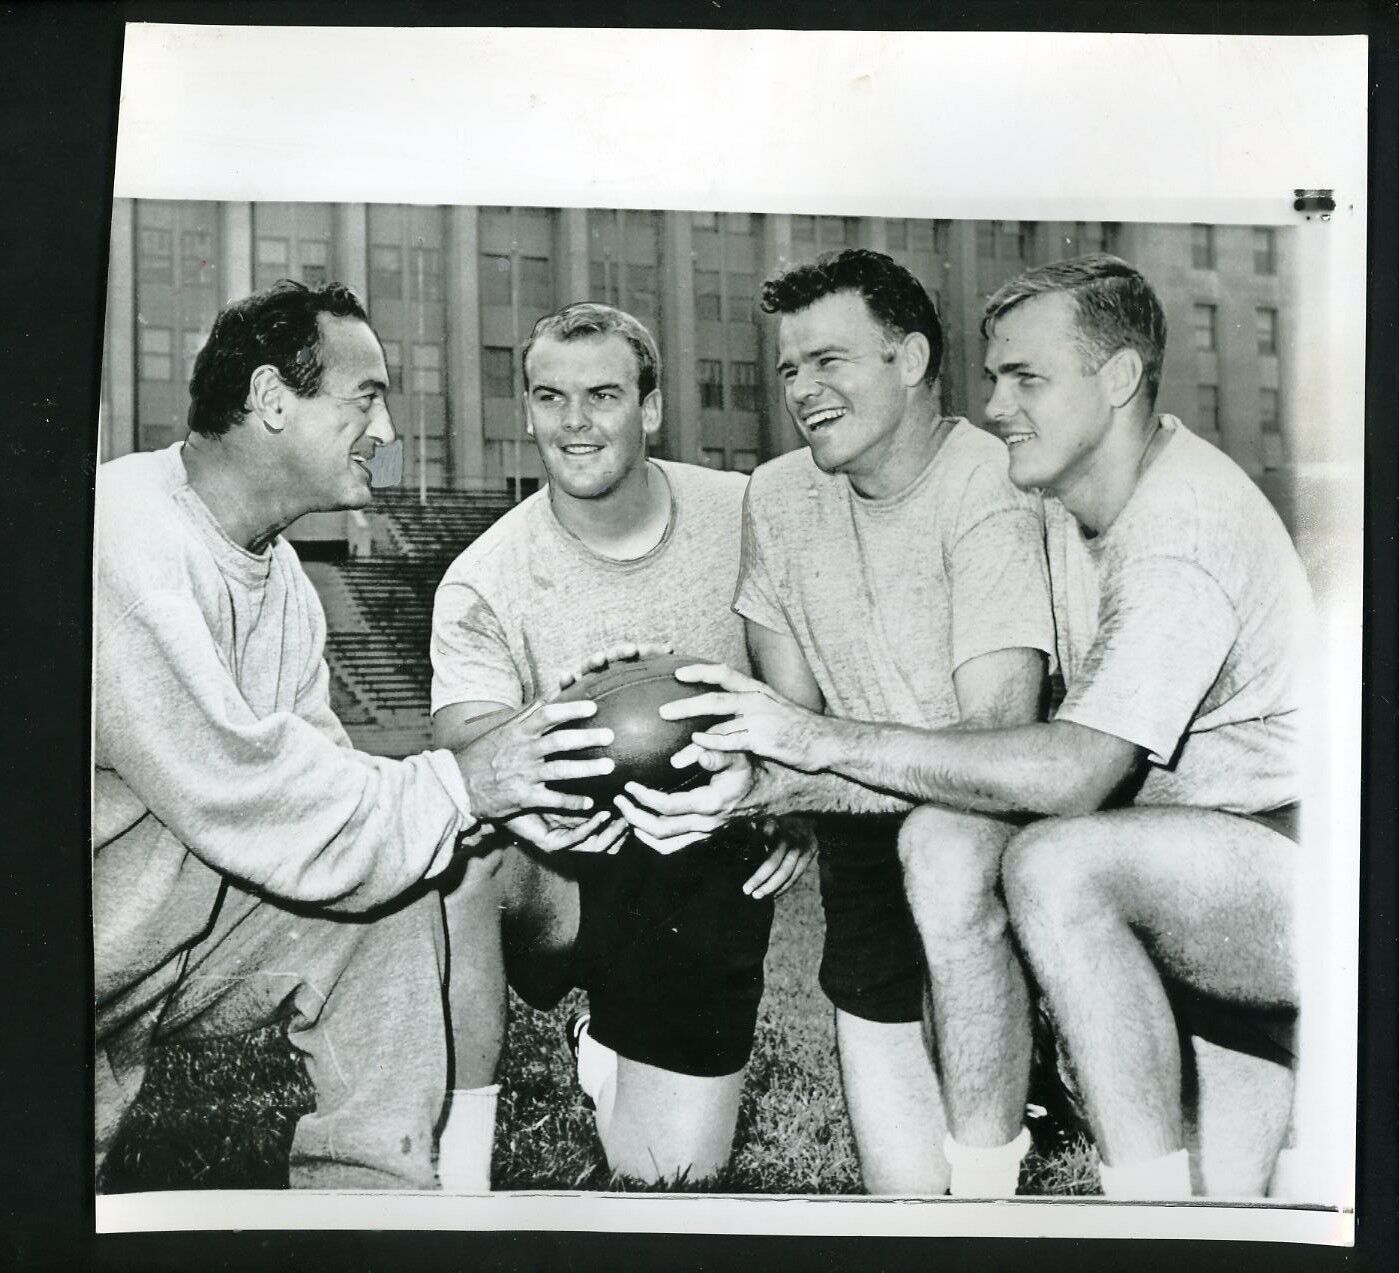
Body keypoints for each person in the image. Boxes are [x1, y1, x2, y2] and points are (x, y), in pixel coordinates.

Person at [654, 254, 1310, 1200]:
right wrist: (765, 777)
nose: (995, 403)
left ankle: (1144, 1212)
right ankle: (1018, 1186)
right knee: (963, 844)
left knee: (1052, 865)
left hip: (1286, 872)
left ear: (1117, 379)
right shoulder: (1069, 497)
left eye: (1025, 379)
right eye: (996, 376)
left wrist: (815, 745)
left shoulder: (1176, 532)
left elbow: (1072, 770)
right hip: (1182, 854)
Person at [93, 280, 618, 1191]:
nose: (386, 431)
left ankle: (377, 1200)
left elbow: (333, 806)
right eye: (365, 397)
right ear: (270, 400)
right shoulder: (123, 535)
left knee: (393, 893)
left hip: (163, 948)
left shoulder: (285, 577)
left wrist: (497, 803)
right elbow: (243, 789)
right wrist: (462, 782)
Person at [616, 250, 1058, 1196]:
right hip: (863, 830)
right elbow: (789, 714)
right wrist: (756, 794)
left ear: (908, 358)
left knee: (945, 844)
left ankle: (1032, 1064)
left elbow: (997, 745)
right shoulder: (777, 495)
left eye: (829, 361)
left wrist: (795, 769)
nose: (801, 390)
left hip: (995, 830)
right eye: (788, 369)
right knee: (902, 1195)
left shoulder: (993, 484)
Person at [429, 302, 811, 1185]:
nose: (574, 421)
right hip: (561, 864)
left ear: (651, 408)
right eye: (549, 396)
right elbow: (462, 735)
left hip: (696, 863)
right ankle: (456, 1181)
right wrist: (577, 716)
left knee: (670, 1176)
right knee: (462, 851)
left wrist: (786, 796)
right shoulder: (485, 572)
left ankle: (605, 1040)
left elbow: (804, 698)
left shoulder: (744, 514)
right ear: (525, 411)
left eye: (602, 394)